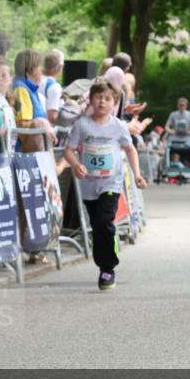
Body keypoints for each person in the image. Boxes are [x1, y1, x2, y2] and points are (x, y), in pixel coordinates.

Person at [63, 78, 147, 290]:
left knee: (104, 220)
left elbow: (130, 149)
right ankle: (105, 259)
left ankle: (107, 269)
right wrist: (76, 165)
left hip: (111, 181)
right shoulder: (82, 125)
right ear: (91, 100)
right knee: (97, 224)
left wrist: (137, 174)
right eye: (98, 98)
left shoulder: (118, 126)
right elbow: (68, 150)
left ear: (114, 103)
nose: (102, 102)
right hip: (89, 184)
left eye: (107, 99)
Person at [12, 49, 55, 152]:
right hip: (28, 154)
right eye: (39, 66)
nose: (42, 70)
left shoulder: (28, 89)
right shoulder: (21, 89)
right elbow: (22, 125)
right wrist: (43, 127)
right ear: (31, 69)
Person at [165, 97, 190, 169]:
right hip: (175, 139)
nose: (182, 106)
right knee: (169, 150)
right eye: (180, 105)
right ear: (178, 105)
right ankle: (171, 166)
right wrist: (171, 131)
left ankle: (189, 166)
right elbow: (167, 126)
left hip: (186, 139)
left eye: (183, 105)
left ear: (186, 106)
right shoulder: (173, 114)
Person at [42, 48, 65, 125]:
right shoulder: (54, 86)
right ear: (60, 66)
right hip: (48, 130)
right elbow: (52, 117)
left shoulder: (36, 80)